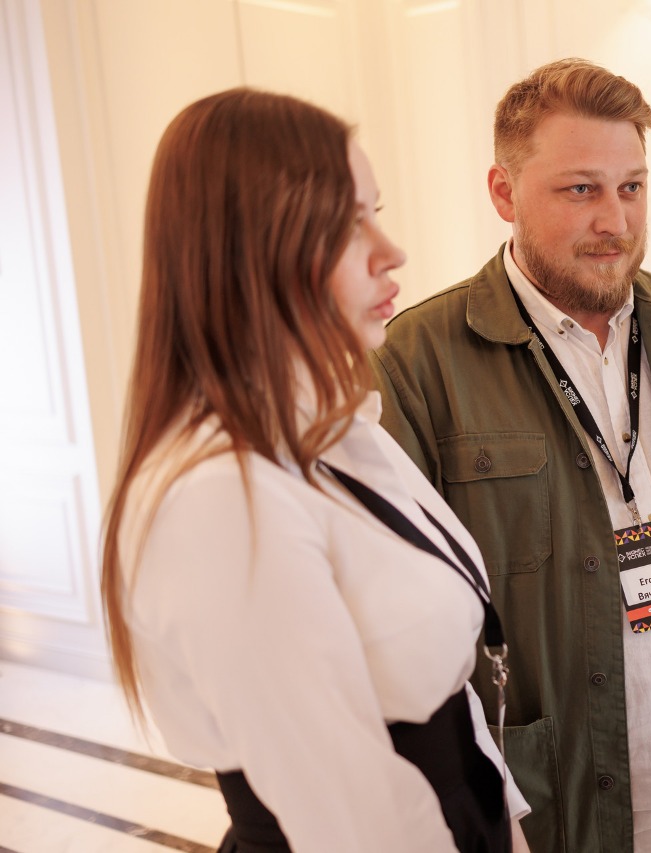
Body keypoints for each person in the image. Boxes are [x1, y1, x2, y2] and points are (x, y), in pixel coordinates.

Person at [372, 59, 651, 853]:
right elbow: (396, 616)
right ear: (503, 192)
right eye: (581, 190)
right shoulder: (418, 362)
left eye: (631, 187)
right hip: (551, 815)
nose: (615, 219)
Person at [99, 88, 531, 852]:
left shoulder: (337, 429)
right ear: (251, 252)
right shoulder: (219, 500)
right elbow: (351, 818)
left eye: (376, 212)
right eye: (349, 223)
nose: (391, 250)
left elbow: (449, 703)